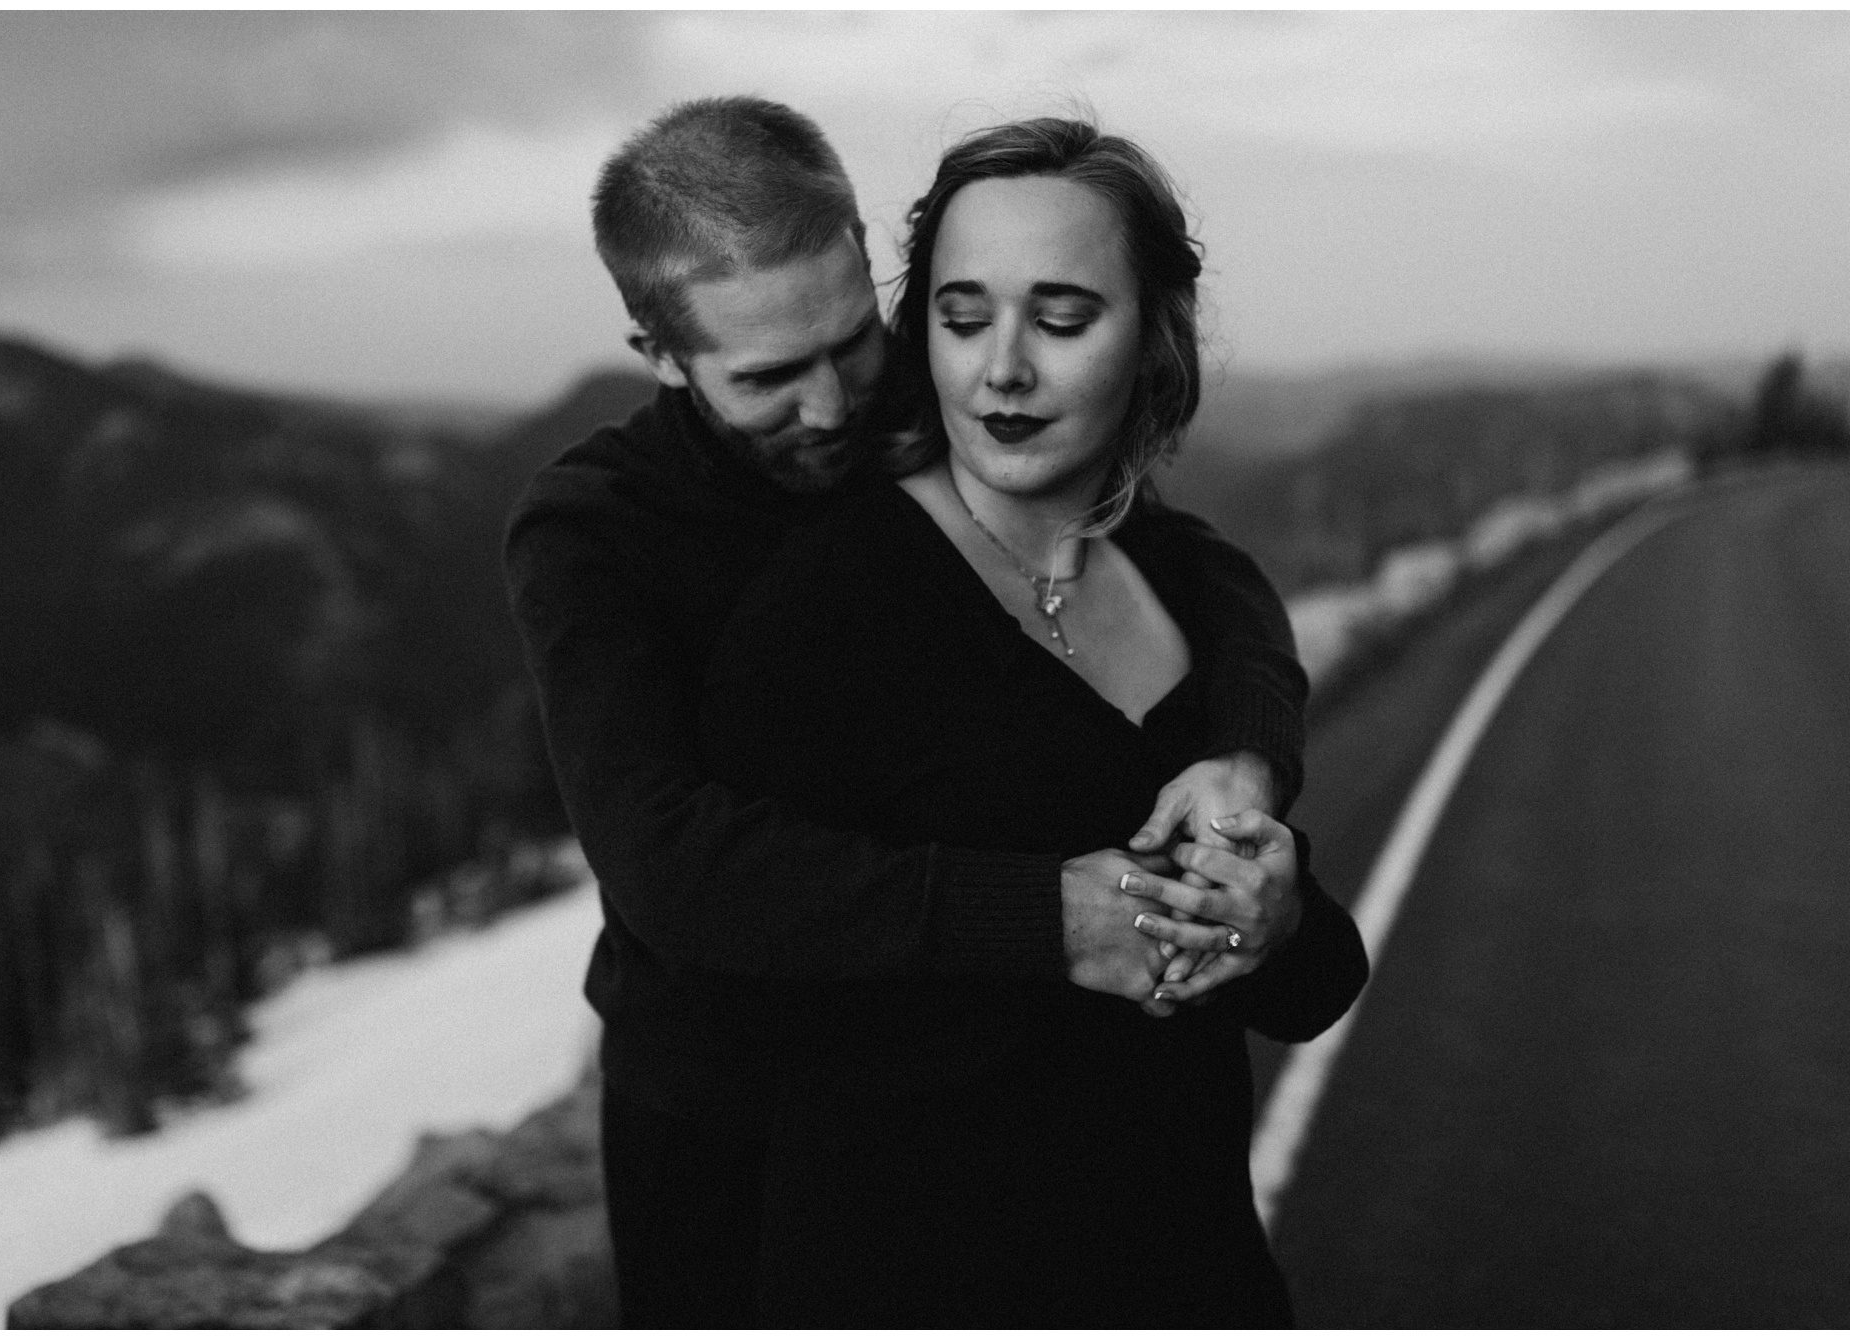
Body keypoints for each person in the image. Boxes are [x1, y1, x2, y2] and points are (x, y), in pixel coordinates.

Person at [503, 97, 1324, 1327]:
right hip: (720, 1102)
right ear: (659, 351)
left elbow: (1182, 563)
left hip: (981, 1096)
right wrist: (1045, 914)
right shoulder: (595, 531)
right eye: (769, 376)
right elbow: (667, 858)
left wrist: (1245, 744)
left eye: (851, 342)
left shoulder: (908, 411)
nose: (832, 407)